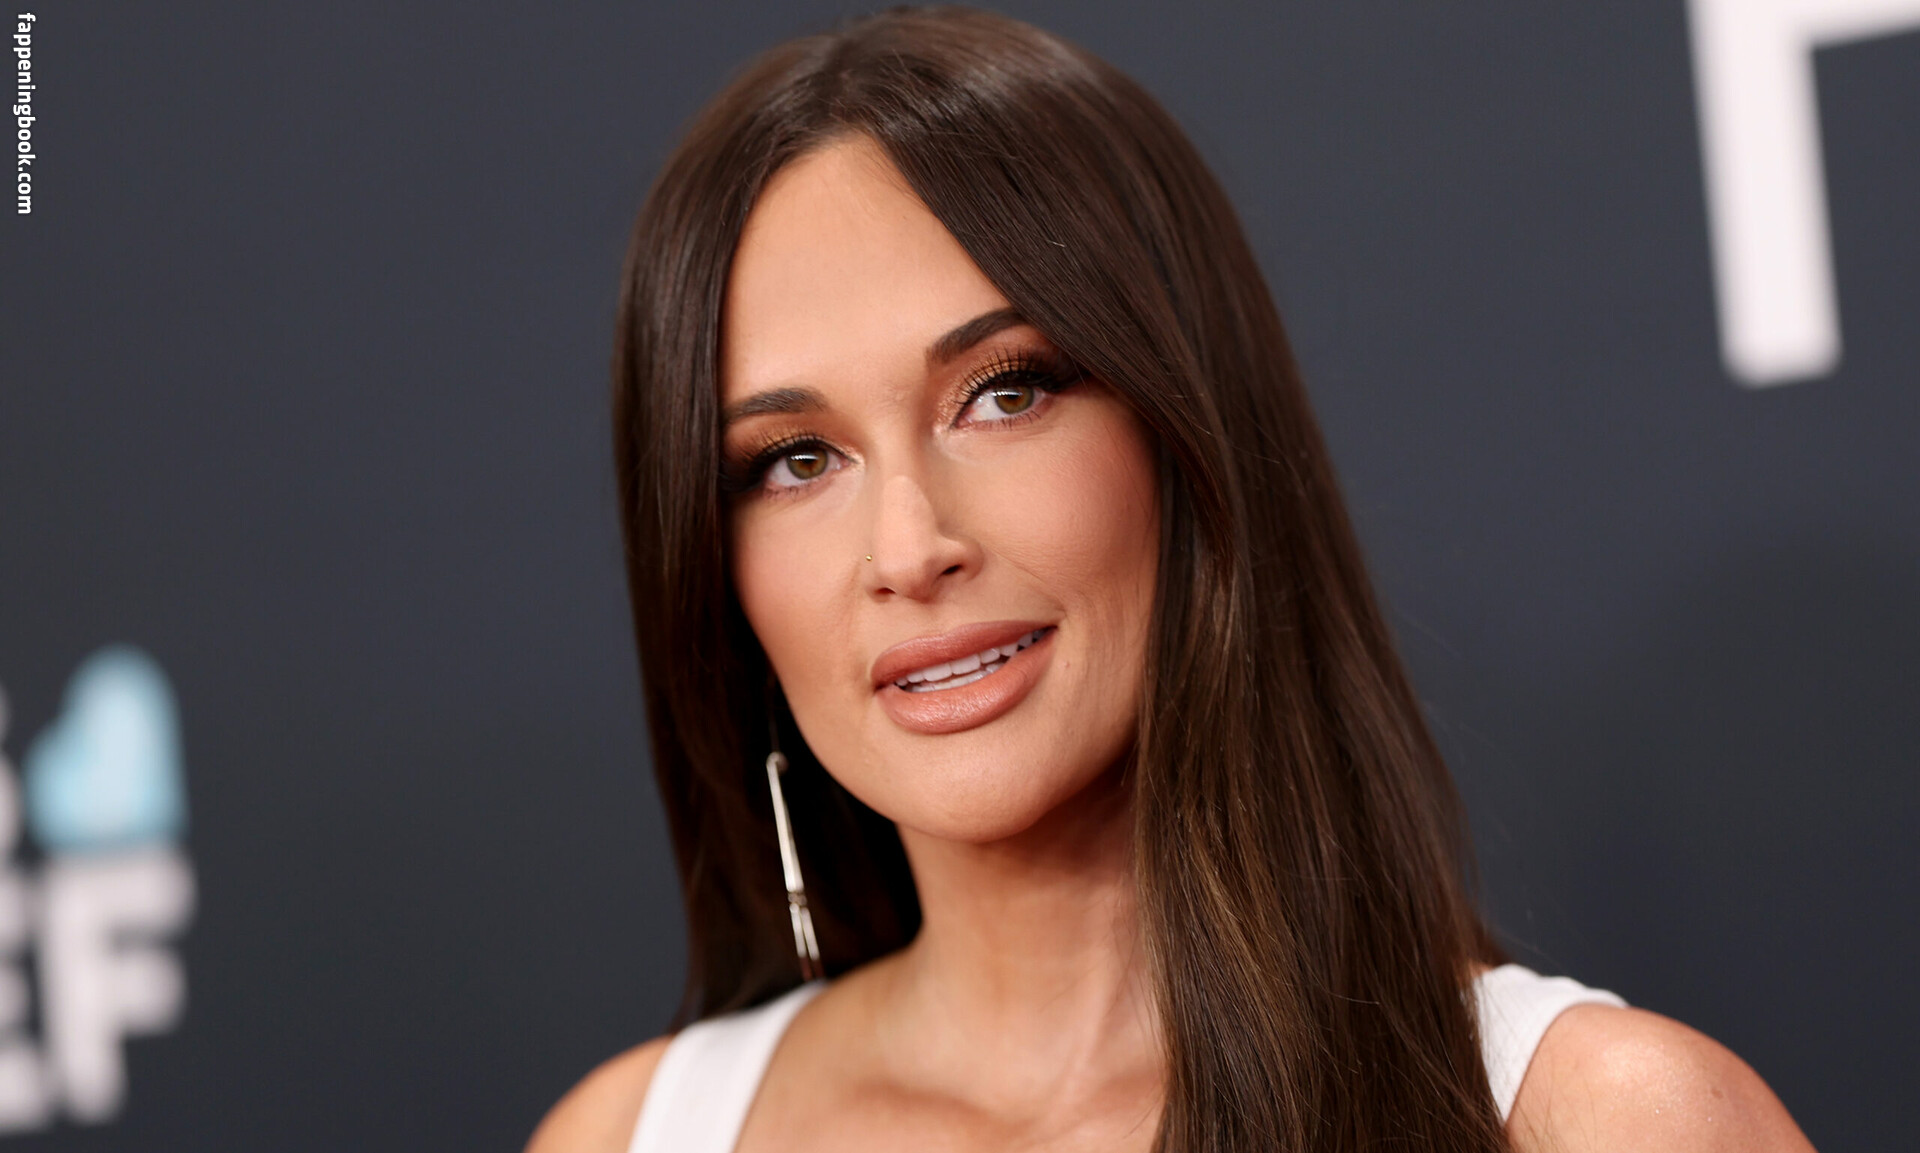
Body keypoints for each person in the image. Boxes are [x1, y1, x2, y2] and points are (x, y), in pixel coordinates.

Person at [528, 7, 1817, 1151]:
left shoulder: (1605, 1124)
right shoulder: (626, 1139)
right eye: (795, 460)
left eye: (1005, 394)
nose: (910, 549)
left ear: (1187, 431)